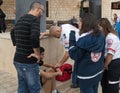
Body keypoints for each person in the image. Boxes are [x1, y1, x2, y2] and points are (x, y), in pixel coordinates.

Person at [11, 1, 44, 93]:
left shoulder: (20, 19)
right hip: (28, 62)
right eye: (43, 11)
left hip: (17, 59)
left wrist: (22, 45)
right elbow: (34, 37)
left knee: (22, 88)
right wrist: (37, 53)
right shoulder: (34, 19)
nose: (42, 14)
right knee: (35, 89)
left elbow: (13, 33)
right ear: (38, 9)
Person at [68, 13, 105, 93]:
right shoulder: (101, 35)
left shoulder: (84, 40)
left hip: (86, 75)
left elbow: (74, 55)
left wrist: (72, 35)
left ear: (86, 23)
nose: (78, 23)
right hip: (97, 72)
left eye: (80, 21)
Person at [40, 20, 80, 88]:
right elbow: (54, 31)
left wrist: (60, 63)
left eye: (56, 36)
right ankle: (76, 82)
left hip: (79, 48)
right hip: (78, 44)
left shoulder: (67, 36)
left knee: (78, 65)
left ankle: (75, 83)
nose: (56, 37)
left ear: (58, 31)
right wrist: (44, 33)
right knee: (78, 65)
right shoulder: (63, 27)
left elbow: (68, 53)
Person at [98, 18, 120, 93]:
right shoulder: (107, 36)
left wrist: (104, 66)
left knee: (112, 84)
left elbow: (110, 55)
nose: (98, 30)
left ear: (104, 27)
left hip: (113, 63)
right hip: (109, 61)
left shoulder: (111, 37)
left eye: (99, 27)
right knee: (104, 83)